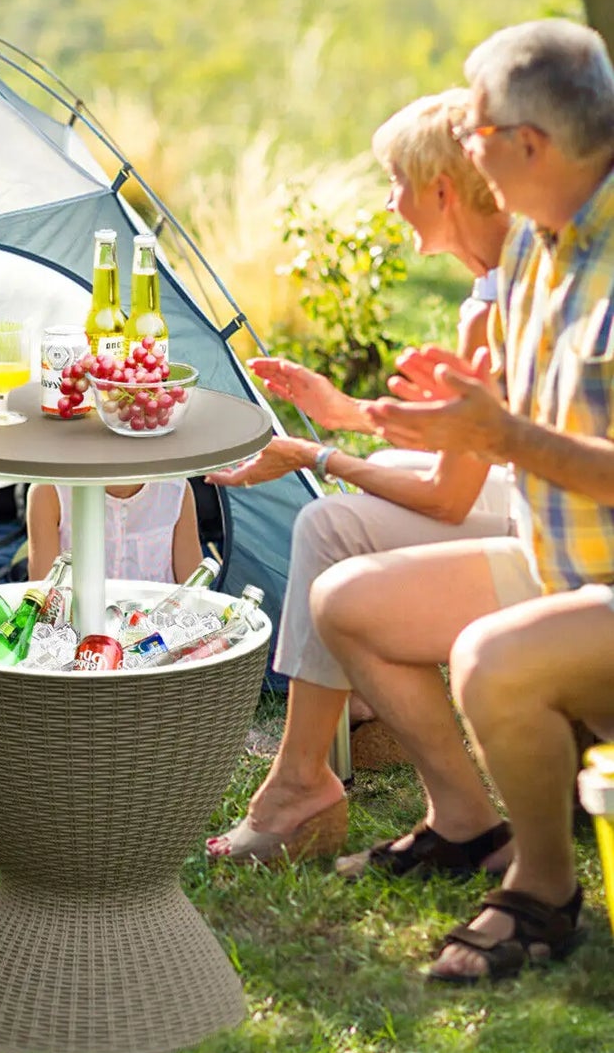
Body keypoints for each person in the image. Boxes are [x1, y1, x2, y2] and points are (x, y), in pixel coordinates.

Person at [312, 17, 614, 978]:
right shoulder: (532, 244)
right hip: (558, 565)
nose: (463, 146)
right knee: (344, 599)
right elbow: (517, 417)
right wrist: (451, 417)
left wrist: (501, 435)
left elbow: (527, 438)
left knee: (489, 655)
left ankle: (540, 889)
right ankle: (465, 821)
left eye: (474, 129)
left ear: (528, 145)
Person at [204, 89, 513, 865]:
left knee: (329, 520)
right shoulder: (499, 277)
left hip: (559, 529)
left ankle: (305, 780)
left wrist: (312, 453)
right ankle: (312, 772)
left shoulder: (497, 303)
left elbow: (451, 491)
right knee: (344, 507)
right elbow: (467, 437)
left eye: (396, 181)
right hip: (534, 497)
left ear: (442, 188)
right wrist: (345, 414)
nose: (389, 200)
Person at [25, 479, 200, 584]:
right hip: (76, 635)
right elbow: (42, 602)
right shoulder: (49, 491)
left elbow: (195, 591)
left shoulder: (175, 489)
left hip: (158, 637)